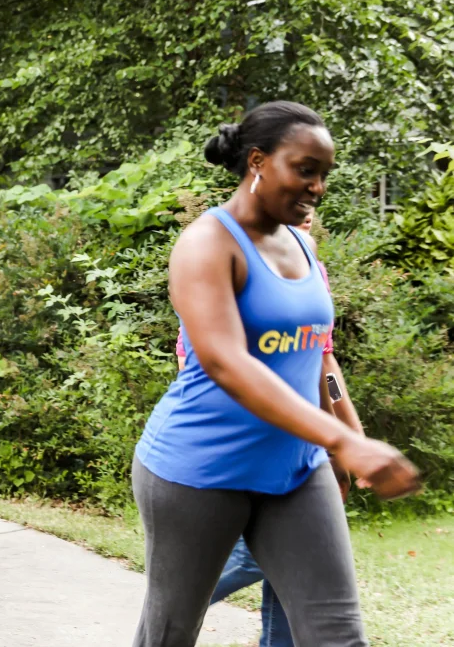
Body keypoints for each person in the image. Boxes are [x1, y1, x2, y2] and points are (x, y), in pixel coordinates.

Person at [132, 102, 420, 647]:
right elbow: (225, 362)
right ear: (258, 161)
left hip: (296, 467)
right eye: (305, 169)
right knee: (170, 632)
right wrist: (339, 438)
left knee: (337, 635)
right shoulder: (206, 243)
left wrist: (342, 446)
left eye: (323, 175)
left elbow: (317, 359)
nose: (317, 186)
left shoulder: (304, 246)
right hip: (199, 471)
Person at [176, 208, 368, 646]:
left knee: (293, 570)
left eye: (309, 215)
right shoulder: (225, 262)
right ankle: (166, 607)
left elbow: (325, 365)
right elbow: (204, 364)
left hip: (299, 449)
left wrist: (354, 440)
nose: (303, 219)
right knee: (257, 558)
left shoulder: (311, 271)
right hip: (235, 444)